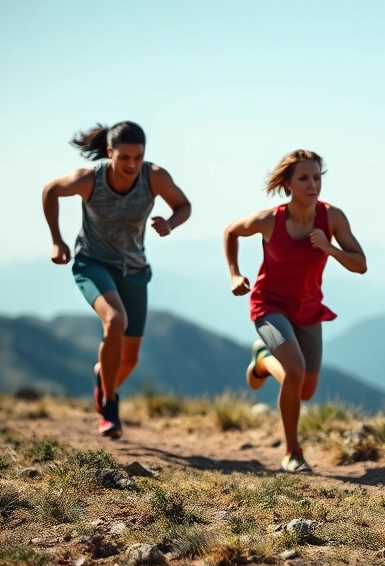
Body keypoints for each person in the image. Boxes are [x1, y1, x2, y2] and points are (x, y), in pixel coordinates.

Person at [42, 121, 192, 438]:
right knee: (115, 320)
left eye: (138, 157)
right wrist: (57, 240)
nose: (132, 164)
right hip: (93, 263)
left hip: (134, 270)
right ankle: (109, 406)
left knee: (131, 358)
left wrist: (171, 223)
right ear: (109, 152)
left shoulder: (154, 177)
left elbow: (183, 206)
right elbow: (50, 191)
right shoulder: (89, 180)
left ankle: (104, 379)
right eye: (124, 157)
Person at [224, 149, 367, 474]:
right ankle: (292, 452)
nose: (312, 185)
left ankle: (263, 360)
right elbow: (231, 231)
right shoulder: (269, 220)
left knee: (305, 389)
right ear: (287, 183)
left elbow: (360, 264)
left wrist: (329, 248)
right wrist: (234, 273)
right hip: (269, 305)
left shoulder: (332, 217)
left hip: (308, 309)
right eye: (303, 178)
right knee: (295, 370)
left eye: (317, 177)